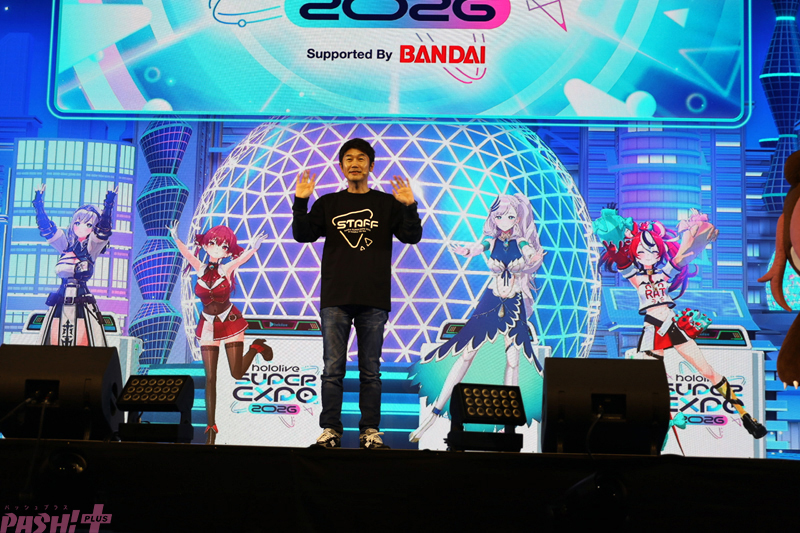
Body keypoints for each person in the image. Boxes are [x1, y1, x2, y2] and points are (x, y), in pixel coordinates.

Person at [293, 138, 423, 449]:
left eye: (361, 158)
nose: (355, 163)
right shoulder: (328, 203)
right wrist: (300, 202)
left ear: (371, 166)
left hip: (373, 298)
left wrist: (409, 206)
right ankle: (330, 430)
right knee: (332, 370)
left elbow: (412, 236)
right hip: (335, 298)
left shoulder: (387, 203)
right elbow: (302, 234)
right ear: (341, 166)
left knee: (371, 371)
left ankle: (370, 432)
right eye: (349, 158)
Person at [597, 207, 767, 439]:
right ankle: (651, 428)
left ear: (659, 251)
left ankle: (746, 416)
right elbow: (624, 265)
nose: (648, 254)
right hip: (653, 329)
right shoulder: (637, 277)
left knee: (707, 371)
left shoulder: (664, 274)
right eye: (642, 251)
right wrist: (618, 255)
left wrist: (698, 236)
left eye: (653, 250)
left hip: (672, 326)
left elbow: (683, 257)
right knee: (650, 381)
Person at [409, 193, 546, 442]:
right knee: (466, 353)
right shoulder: (491, 241)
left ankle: (508, 423)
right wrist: (467, 251)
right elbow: (478, 247)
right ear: (493, 218)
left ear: (517, 218)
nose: (504, 221)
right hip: (491, 300)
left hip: (514, 303)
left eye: (510, 216)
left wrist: (533, 258)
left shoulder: (521, 241)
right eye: (499, 216)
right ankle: (434, 414)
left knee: (514, 359)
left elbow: (528, 252)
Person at [169, 222, 272, 444]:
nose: (217, 248)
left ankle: (256, 348)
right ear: (205, 245)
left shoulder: (226, 269)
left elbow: (242, 259)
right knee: (210, 378)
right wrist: (175, 236)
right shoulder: (199, 267)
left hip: (229, 321)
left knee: (237, 373)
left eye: (224, 246)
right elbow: (186, 253)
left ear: (227, 251)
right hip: (207, 325)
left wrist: (254, 247)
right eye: (213, 243)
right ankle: (211, 428)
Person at [33, 184, 116, 347]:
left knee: (85, 340)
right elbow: (47, 228)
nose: (81, 227)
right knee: (53, 340)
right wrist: (38, 204)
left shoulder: (91, 248)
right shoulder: (65, 246)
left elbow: (103, 230)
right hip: (61, 300)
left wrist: (108, 205)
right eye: (77, 223)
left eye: (88, 224)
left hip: (82, 301)